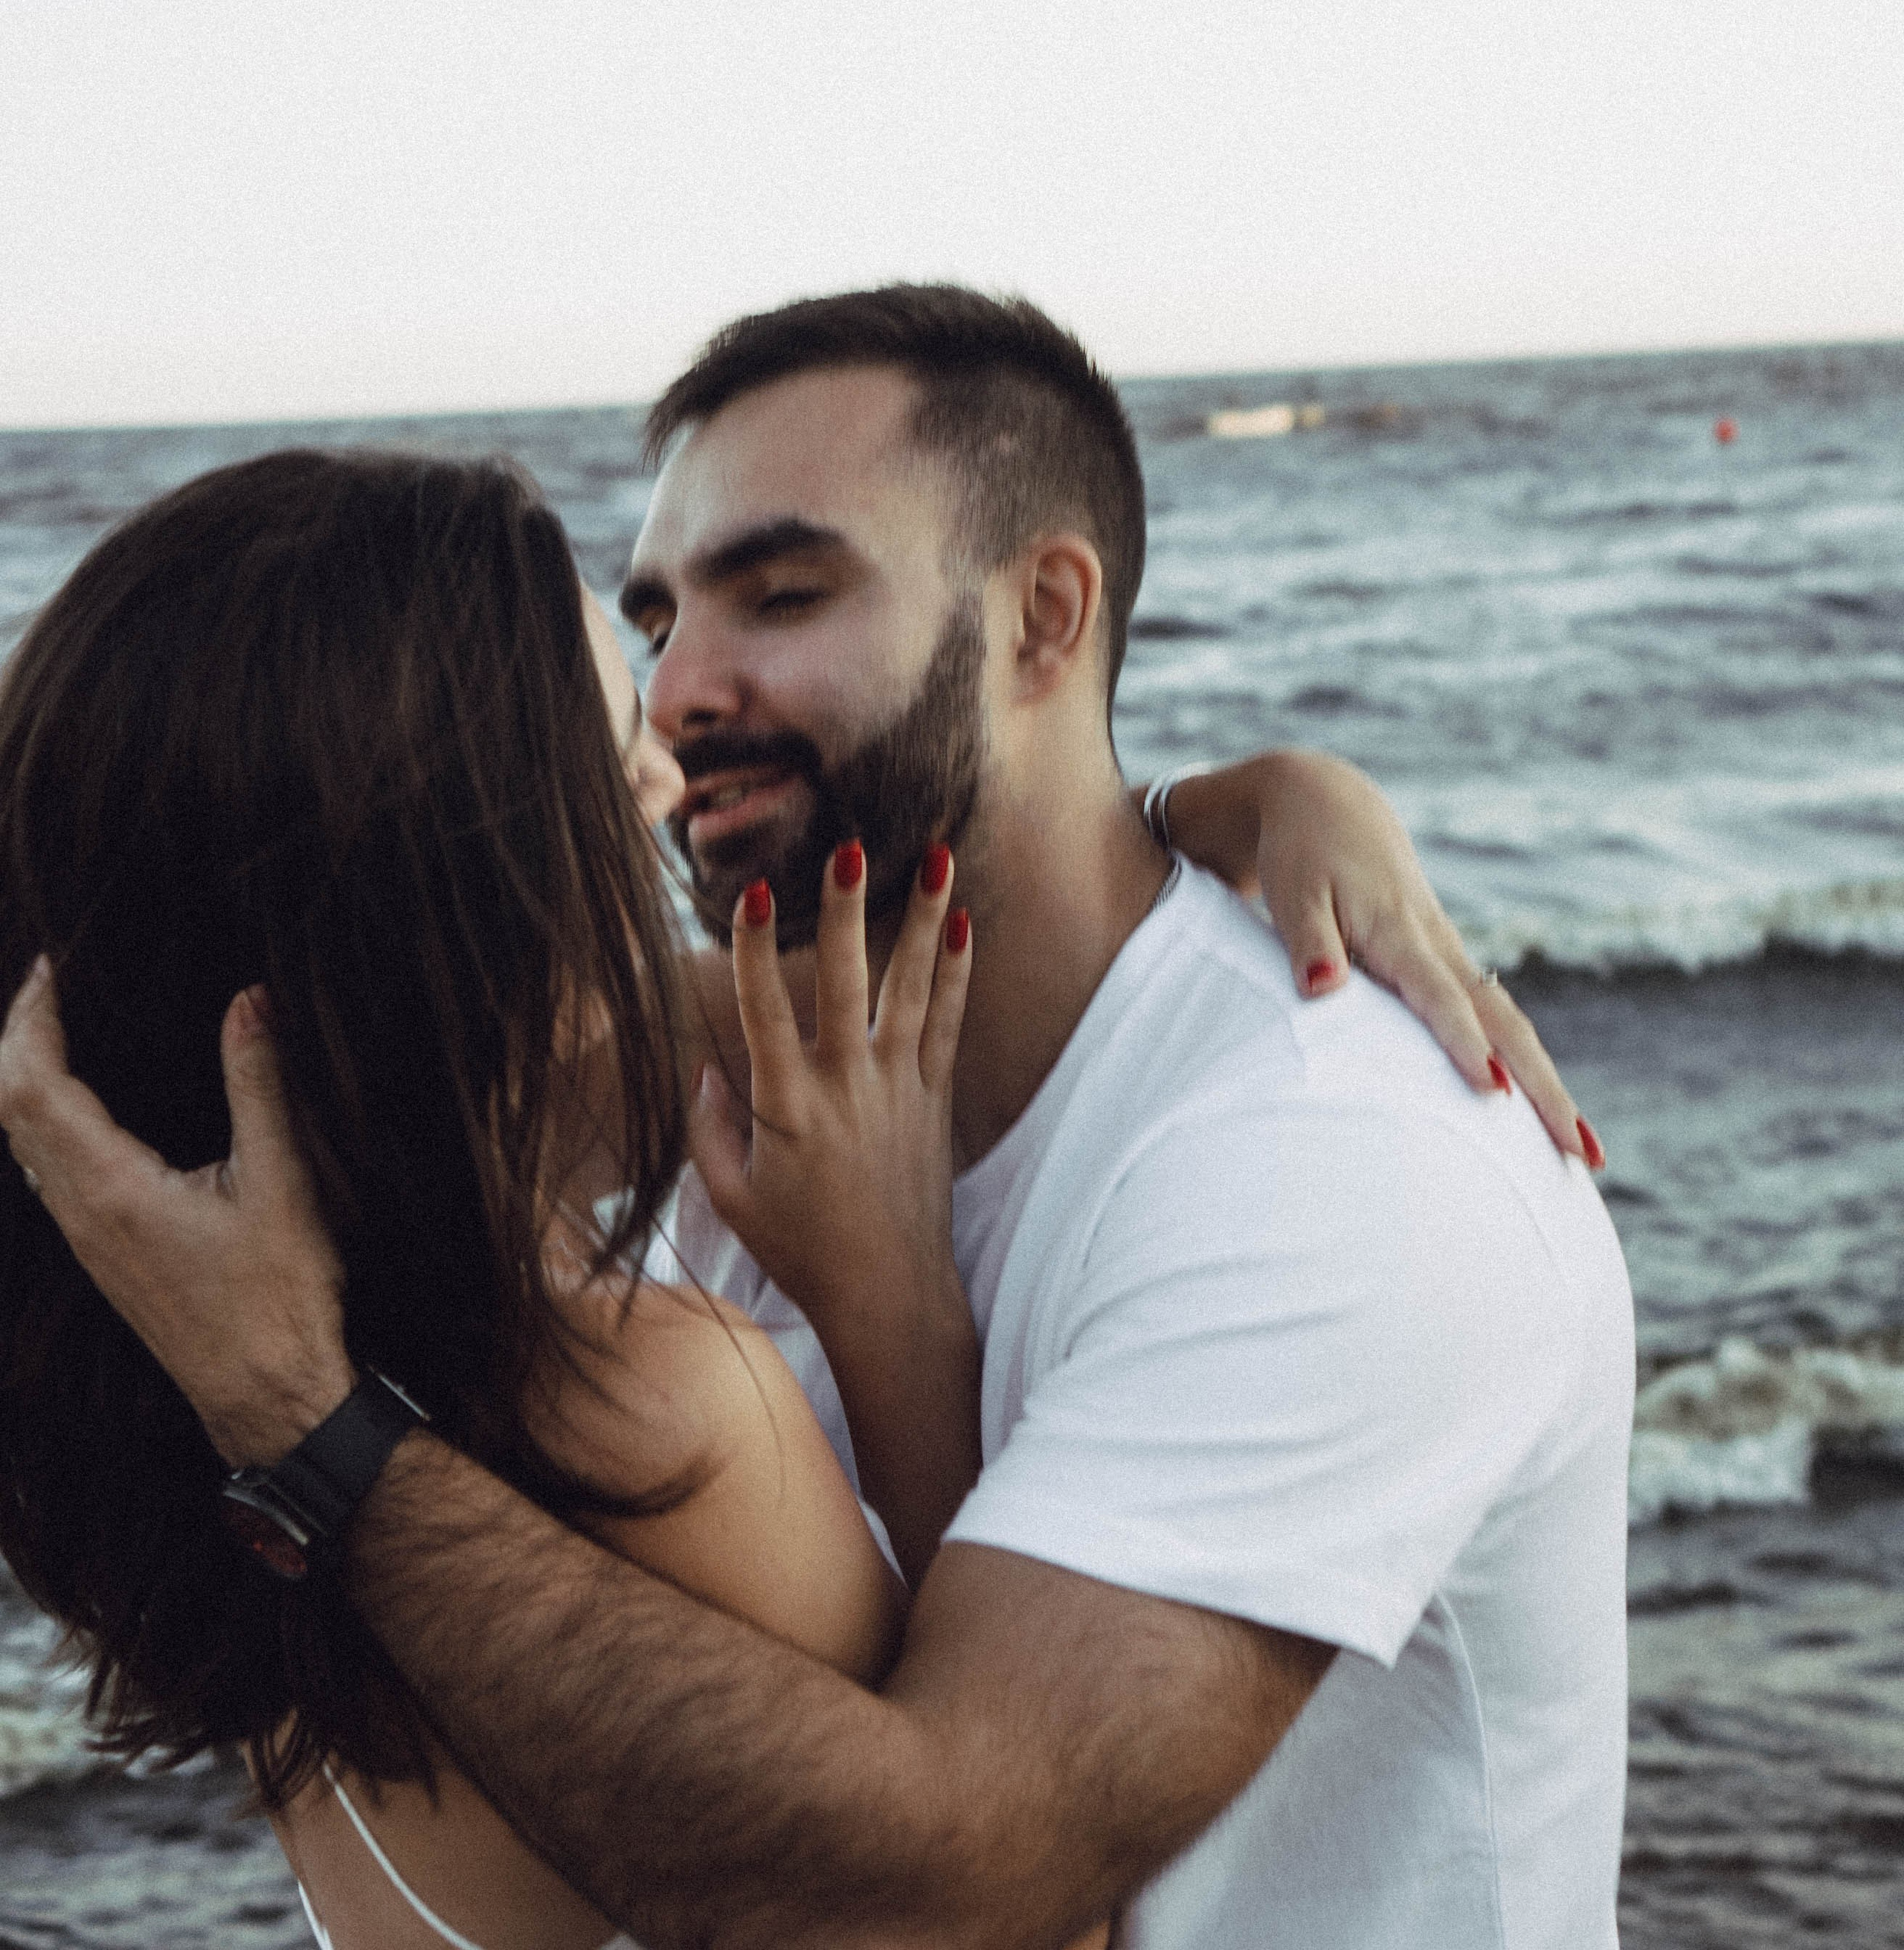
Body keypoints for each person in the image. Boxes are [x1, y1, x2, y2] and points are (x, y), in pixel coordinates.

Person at [0, 392, 1581, 1949]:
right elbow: (992, 1924)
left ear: (1047, 611)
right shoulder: (657, 1411)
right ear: (462, 873)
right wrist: (895, 1315)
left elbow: (882, 970)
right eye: (614, 713)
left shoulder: (194, 1291)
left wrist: (1226, 800)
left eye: (780, 594)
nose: (667, 750)